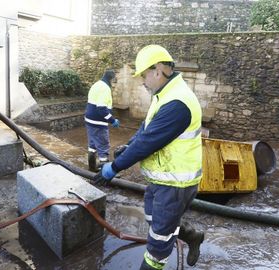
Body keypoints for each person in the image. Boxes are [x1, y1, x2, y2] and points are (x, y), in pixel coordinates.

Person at [93, 45, 204, 269]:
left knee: (158, 241)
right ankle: (192, 236)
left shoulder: (177, 103)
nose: (143, 81)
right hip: (162, 178)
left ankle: (155, 261)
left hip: (176, 184)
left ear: (158, 70)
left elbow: (148, 142)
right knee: (156, 221)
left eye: (144, 75)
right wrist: (129, 145)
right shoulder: (163, 94)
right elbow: (145, 130)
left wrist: (114, 167)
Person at [84, 69, 120, 171]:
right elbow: (101, 108)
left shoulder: (96, 84)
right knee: (103, 146)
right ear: (111, 79)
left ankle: (91, 169)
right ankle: (105, 174)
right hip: (98, 123)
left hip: (89, 120)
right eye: (114, 80)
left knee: (92, 145)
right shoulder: (105, 88)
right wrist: (113, 121)